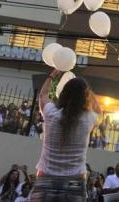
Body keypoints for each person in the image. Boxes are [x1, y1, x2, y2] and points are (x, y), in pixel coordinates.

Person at [30, 69, 101, 202]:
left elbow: (43, 96)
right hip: (75, 182)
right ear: (84, 97)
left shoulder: (51, 114)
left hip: (46, 178)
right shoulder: (89, 118)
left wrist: (52, 75)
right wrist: (86, 90)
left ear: (63, 93)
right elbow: (98, 109)